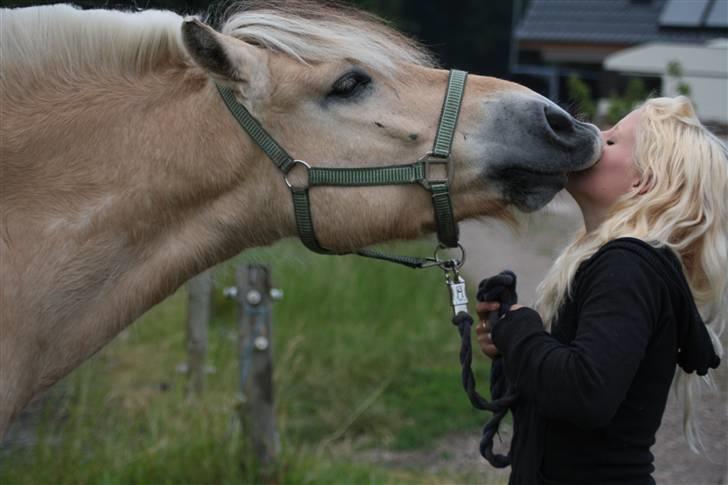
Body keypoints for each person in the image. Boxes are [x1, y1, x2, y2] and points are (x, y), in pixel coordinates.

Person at [475, 96, 726, 485]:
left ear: (645, 181)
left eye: (611, 141)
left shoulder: (628, 267)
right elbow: (557, 403)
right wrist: (511, 347)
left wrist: (520, 326)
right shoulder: (619, 263)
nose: (593, 136)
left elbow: (585, 393)